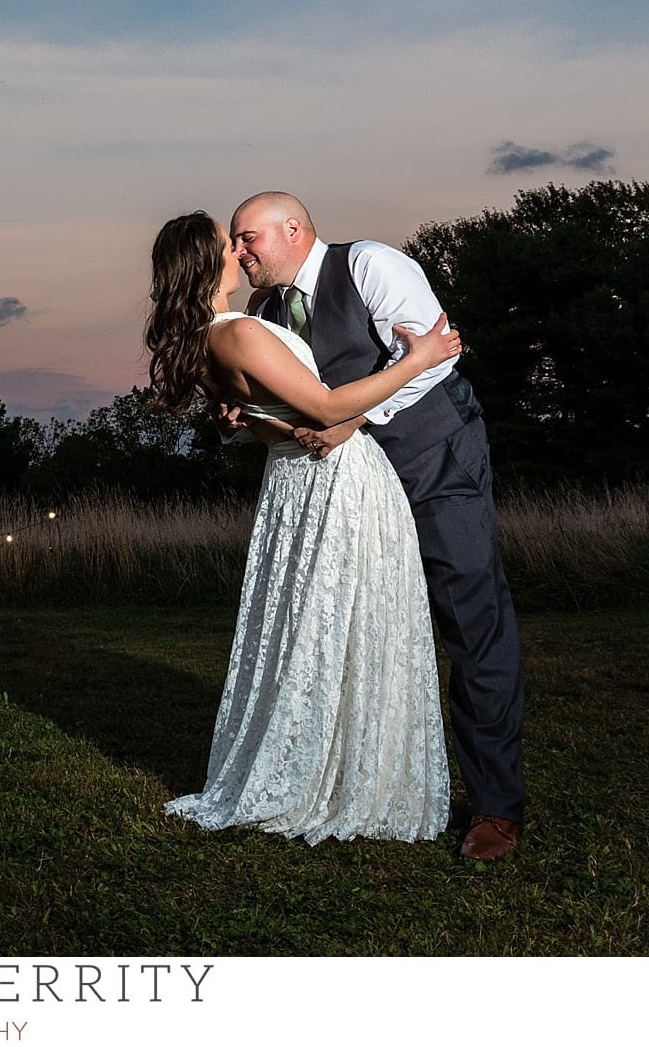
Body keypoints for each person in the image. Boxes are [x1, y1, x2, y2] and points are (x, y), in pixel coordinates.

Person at [228, 191, 526, 863]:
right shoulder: (265, 313)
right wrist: (250, 416)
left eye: (248, 239)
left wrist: (355, 419)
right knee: (363, 633)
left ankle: (497, 807)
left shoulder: (369, 266)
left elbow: (437, 356)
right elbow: (296, 413)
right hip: (348, 491)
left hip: (434, 459)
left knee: (471, 617)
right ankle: (364, 781)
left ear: (293, 229)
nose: (239, 253)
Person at [147, 211, 459, 845]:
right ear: (207, 264)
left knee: (317, 621)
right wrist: (418, 356)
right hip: (338, 478)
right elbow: (325, 406)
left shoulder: (212, 339)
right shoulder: (237, 331)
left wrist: (268, 423)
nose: (239, 249)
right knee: (353, 618)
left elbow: (268, 422)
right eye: (226, 242)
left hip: (294, 478)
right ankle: (345, 779)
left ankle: (331, 764)